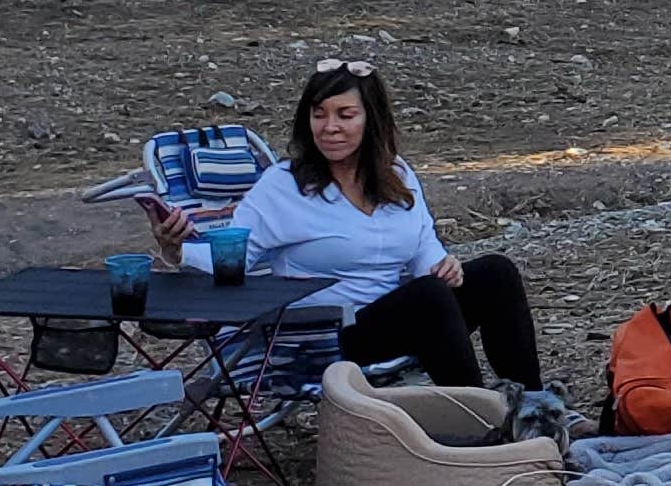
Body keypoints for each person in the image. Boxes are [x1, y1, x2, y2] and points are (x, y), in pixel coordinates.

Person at [164, 57, 549, 397]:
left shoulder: (396, 175)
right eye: (319, 114)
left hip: (403, 321)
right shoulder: (285, 185)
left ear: (371, 120)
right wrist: (177, 248)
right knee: (428, 298)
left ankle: (536, 407)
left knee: (495, 272)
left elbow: (422, 246)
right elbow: (232, 260)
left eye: (345, 115)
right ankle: (476, 423)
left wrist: (441, 264)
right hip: (325, 335)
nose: (329, 127)